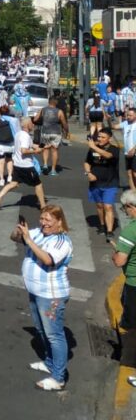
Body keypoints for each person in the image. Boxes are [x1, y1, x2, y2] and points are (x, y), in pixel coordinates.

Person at [11, 204, 73, 391]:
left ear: (59, 221)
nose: (44, 223)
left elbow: (47, 259)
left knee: (54, 335)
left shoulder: (62, 241)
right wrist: (19, 232)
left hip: (51, 296)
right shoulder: (38, 233)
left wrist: (29, 240)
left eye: (48, 220)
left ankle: (58, 377)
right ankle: (49, 362)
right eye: (42, 218)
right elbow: (14, 238)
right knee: (41, 330)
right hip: (35, 292)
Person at [112, 189, 136, 386]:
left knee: (131, 324)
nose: (125, 212)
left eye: (125, 208)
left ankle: (129, 358)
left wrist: (116, 253)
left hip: (134, 284)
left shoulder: (130, 230)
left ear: (131, 207)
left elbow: (120, 261)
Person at [86, 128, 121, 239]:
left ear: (109, 138)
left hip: (110, 183)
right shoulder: (92, 149)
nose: (100, 139)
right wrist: (88, 173)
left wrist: (94, 147)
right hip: (95, 183)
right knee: (99, 205)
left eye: (103, 137)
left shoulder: (114, 149)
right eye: (99, 137)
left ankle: (109, 231)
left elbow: (108, 156)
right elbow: (87, 162)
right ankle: (102, 225)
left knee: (108, 206)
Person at [39, 98, 69, 176]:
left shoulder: (43, 109)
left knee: (45, 148)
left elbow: (35, 119)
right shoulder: (59, 111)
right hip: (56, 133)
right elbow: (64, 123)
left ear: (49, 102)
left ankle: (45, 165)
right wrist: (66, 131)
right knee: (54, 150)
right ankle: (53, 170)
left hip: (45, 132)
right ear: (56, 103)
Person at [122, 107, 136, 191]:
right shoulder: (125, 123)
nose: (128, 117)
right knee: (129, 173)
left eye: (130, 115)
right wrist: (108, 119)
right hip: (127, 153)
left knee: (135, 173)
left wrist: (134, 149)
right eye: (127, 115)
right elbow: (113, 126)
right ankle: (133, 192)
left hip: (134, 153)